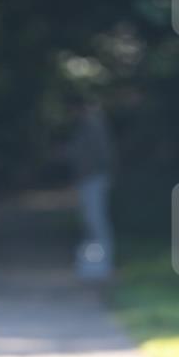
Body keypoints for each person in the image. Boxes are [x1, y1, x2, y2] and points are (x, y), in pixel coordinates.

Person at [66, 98, 116, 281]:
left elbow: (96, 155)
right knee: (91, 220)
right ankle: (97, 263)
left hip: (94, 179)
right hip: (89, 179)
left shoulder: (92, 126)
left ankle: (103, 263)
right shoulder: (89, 126)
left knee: (96, 221)